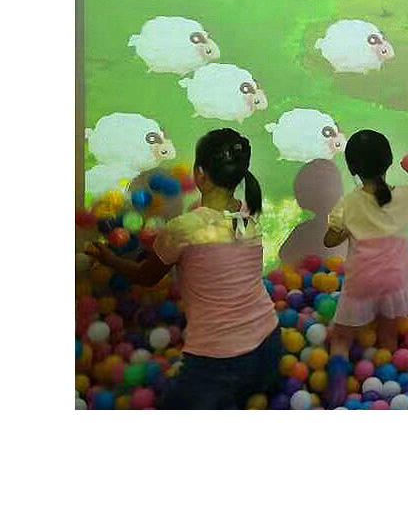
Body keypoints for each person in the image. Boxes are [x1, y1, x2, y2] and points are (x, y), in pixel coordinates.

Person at [84, 129, 280, 409]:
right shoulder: (247, 214)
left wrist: (109, 258)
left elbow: (146, 276)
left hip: (220, 358)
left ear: (200, 174)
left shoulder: (183, 228)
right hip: (270, 343)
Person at [322, 129, 408, 406]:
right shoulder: (403, 196)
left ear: (352, 168)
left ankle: (337, 380)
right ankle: (388, 377)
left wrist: (347, 229)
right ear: (389, 161)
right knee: (388, 330)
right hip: (396, 279)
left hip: (363, 281)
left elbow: (329, 239)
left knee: (341, 336)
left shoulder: (349, 203)